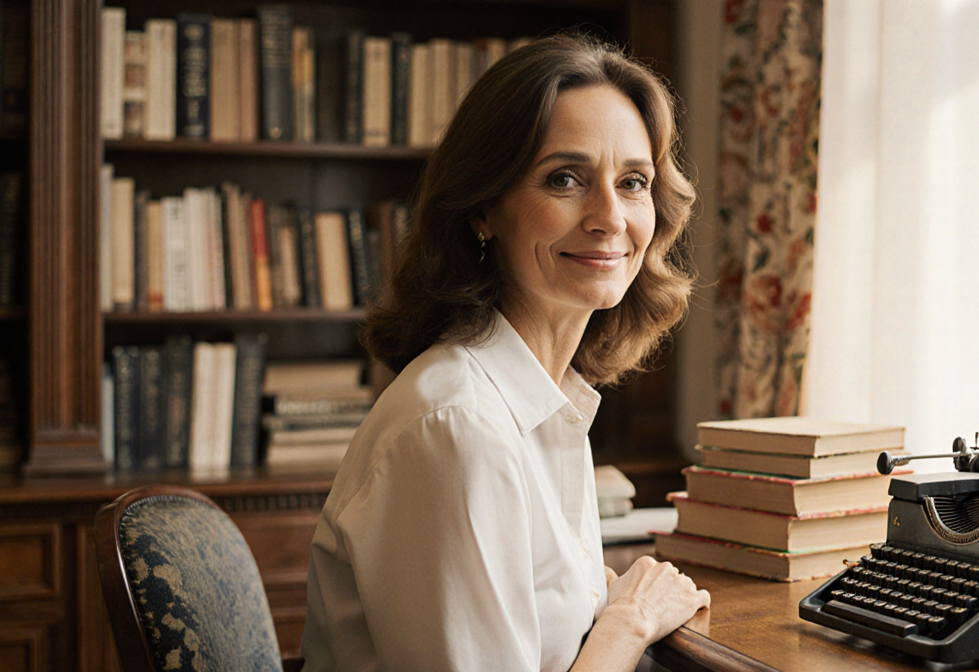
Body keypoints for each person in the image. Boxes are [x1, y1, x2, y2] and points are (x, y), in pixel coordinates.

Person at [301, 33, 710, 672]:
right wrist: (627, 623)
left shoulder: (544, 400)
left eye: (633, 182)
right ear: (483, 208)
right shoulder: (459, 426)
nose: (609, 217)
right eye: (565, 179)